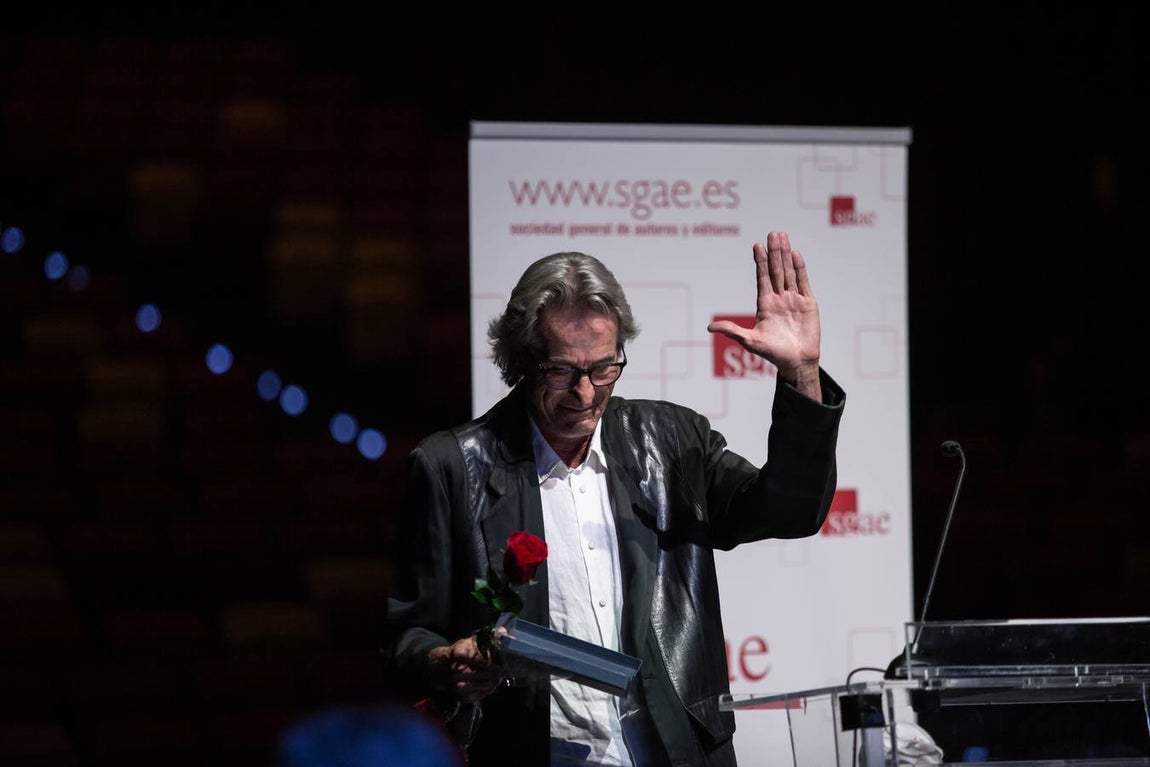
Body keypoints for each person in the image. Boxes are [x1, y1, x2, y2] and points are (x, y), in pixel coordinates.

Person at [382, 231, 845, 766]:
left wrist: (801, 373)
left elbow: (792, 511)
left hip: (675, 752)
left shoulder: (671, 441)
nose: (585, 393)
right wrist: (447, 660)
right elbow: (405, 639)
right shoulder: (451, 467)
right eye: (561, 371)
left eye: (604, 368)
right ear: (521, 360)